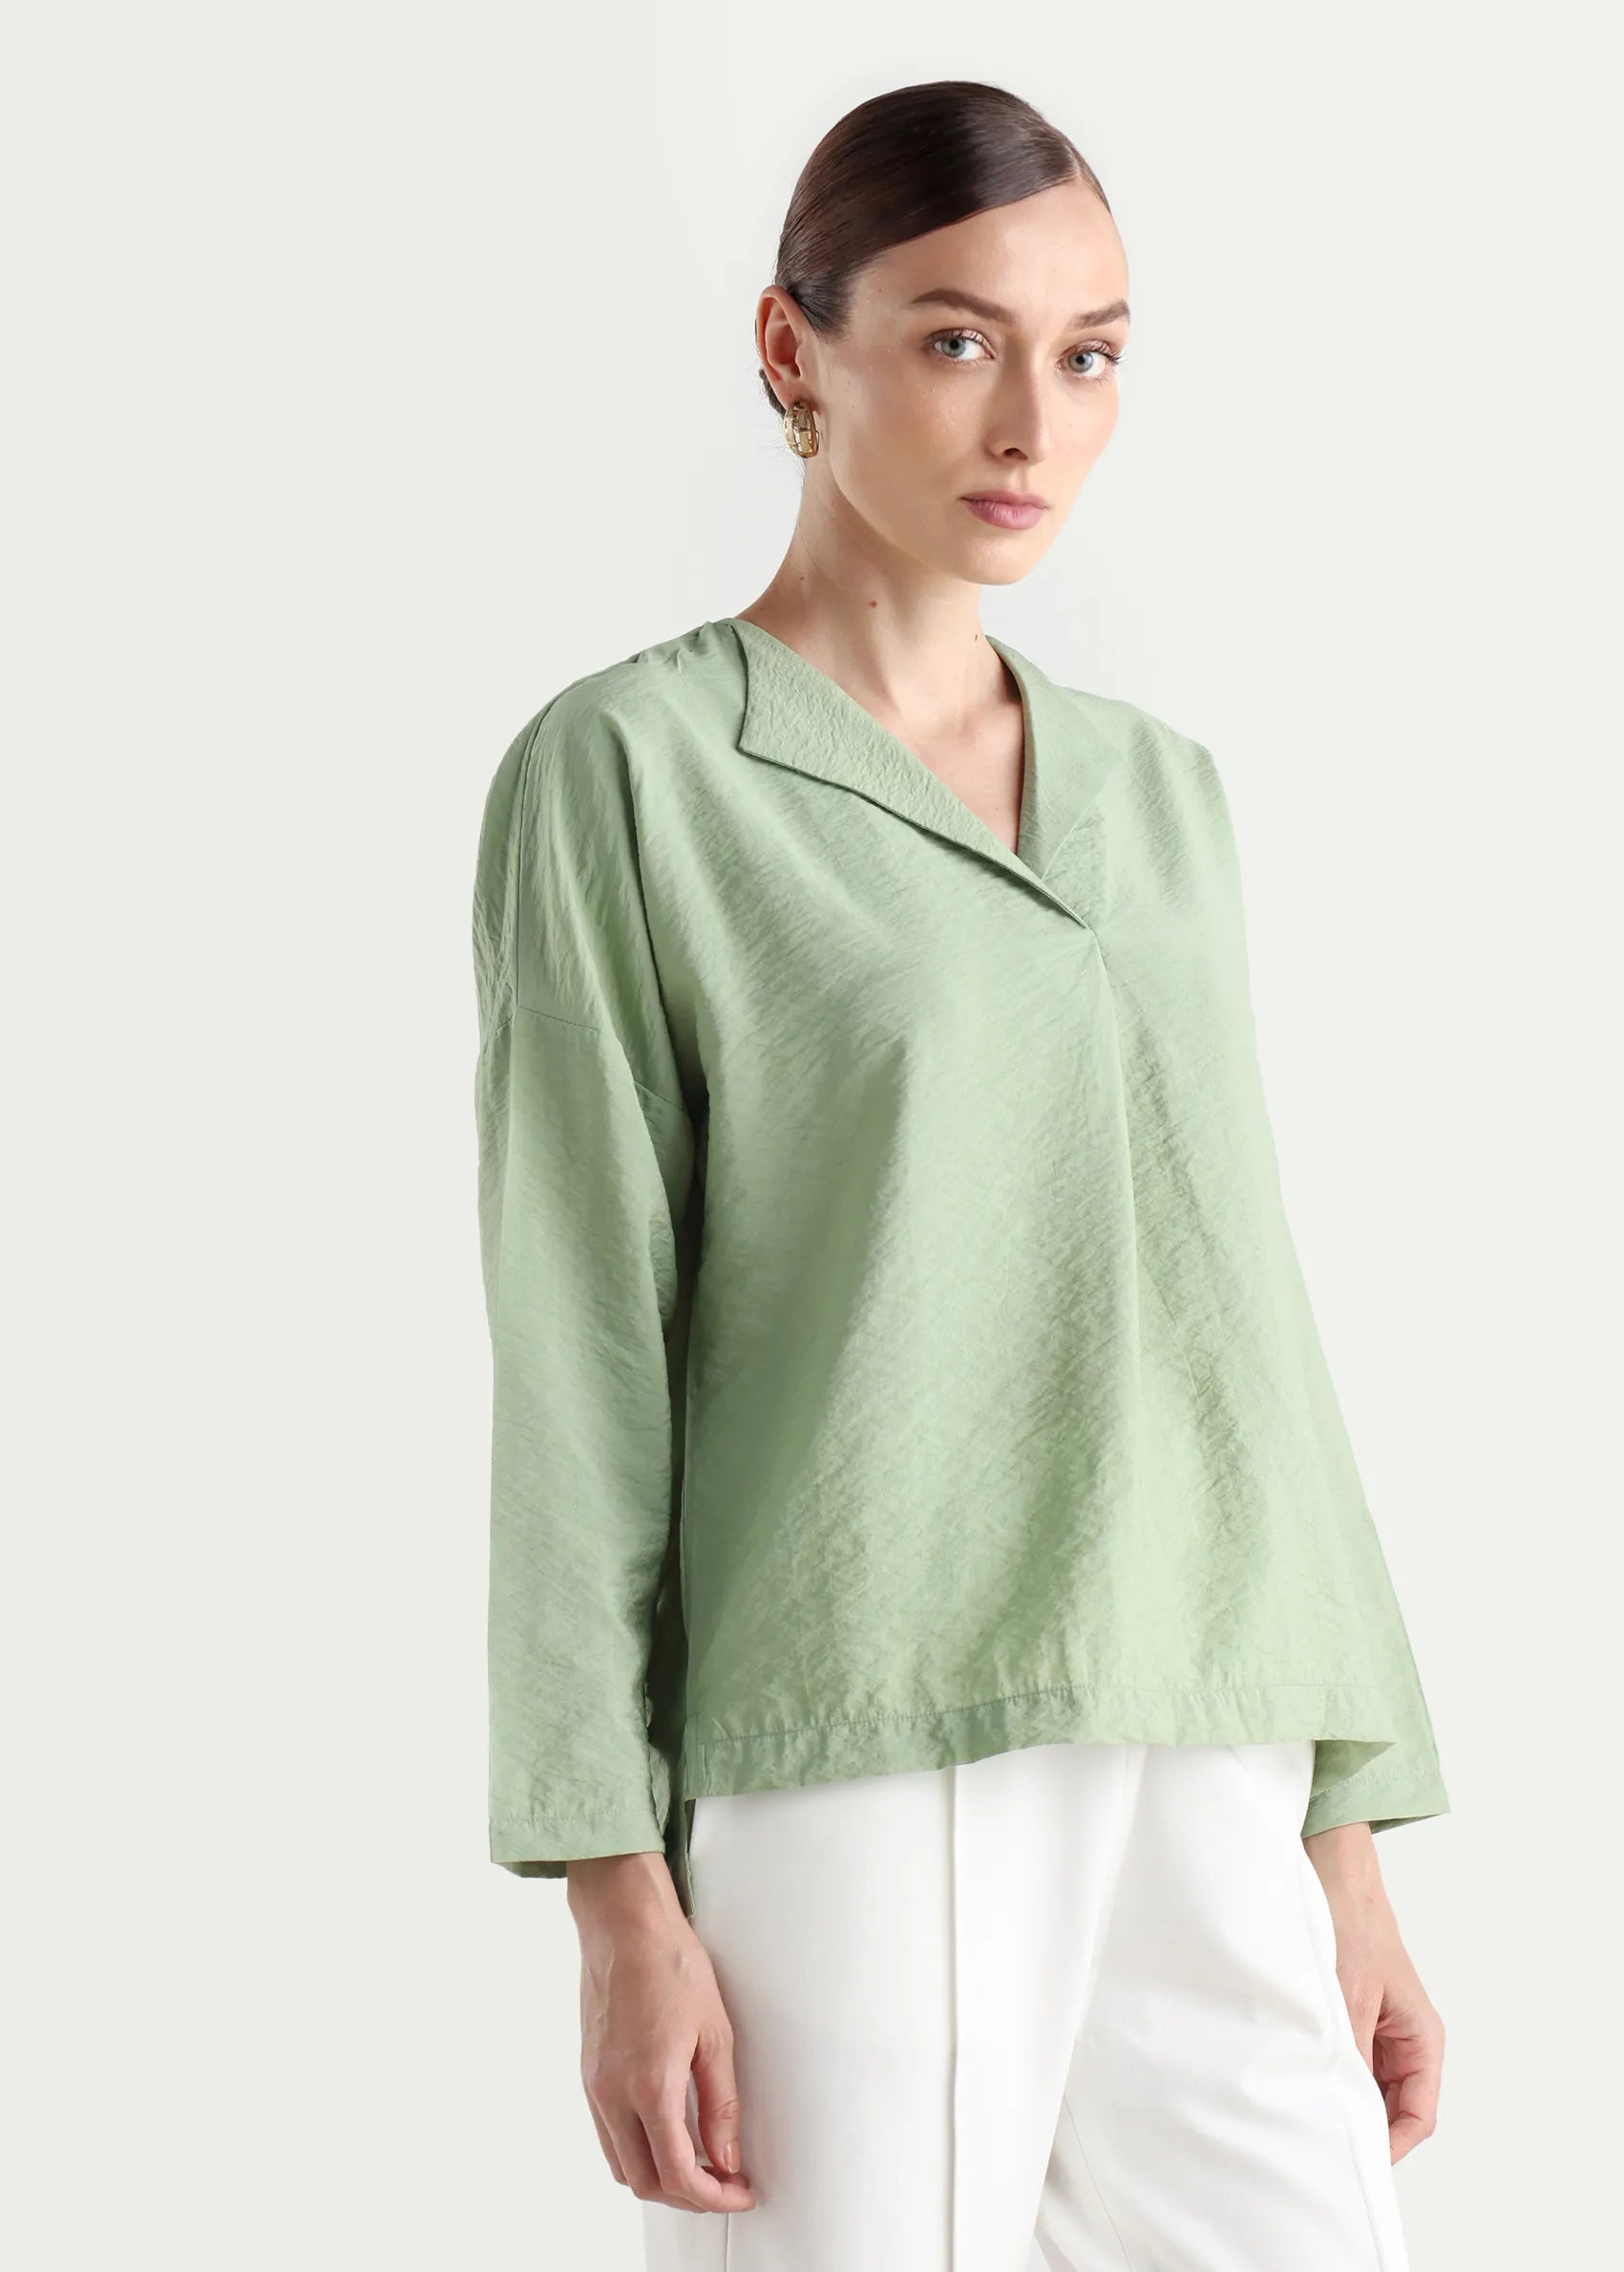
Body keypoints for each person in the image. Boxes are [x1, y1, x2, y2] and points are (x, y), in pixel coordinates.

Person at [470, 77, 1449, 2272]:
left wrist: (1348, 1814)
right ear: (791, 348)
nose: (1032, 420)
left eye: (1089, 353)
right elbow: (578, 1331)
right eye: (955, 338)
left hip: (1208, 1709)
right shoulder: (637, 773)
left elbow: (1238, 1309)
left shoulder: (1163, 795)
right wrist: (614, 1881)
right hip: (861, 1725)